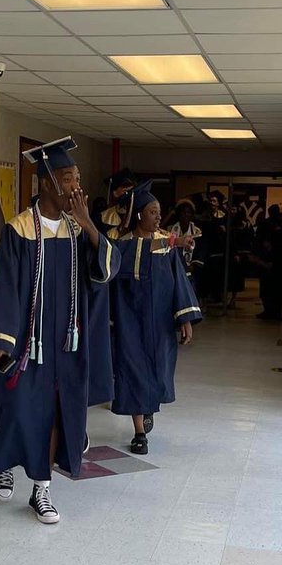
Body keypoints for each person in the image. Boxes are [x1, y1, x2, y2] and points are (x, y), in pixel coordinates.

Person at [0, 138, 119, 524]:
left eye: (77, 178)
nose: (75, 187)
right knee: (18, 411)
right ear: (46, 184)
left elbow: (108, 271)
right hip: (28, 345)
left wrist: (90, 223)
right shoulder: (20, 230)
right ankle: (3, 461)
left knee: (57, 415)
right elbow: (7, 286)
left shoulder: (78, 232)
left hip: (65, 345)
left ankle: (41, 491)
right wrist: (2, 339)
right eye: (67, 178)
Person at [109, 182, 202, 454]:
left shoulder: (165, 247)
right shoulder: (122, 245)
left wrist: (184, 318)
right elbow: (136, 253)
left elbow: (179, 283)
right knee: (133, 372)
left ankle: (147, 407)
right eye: (152, 212)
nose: (158, 217)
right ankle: (139, 432)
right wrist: (174, 240)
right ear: (138, 215)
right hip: (130, 322)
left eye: (159, 212)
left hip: (160, 322)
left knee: (158, 370)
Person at [168, 198, 205, 286]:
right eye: (182, 212)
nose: (185, 215)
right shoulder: (170, 230)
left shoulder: (197, 232)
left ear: (192, 215)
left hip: (191, 270)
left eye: (188, 212)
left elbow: (200, 252)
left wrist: (192, 266)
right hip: (174, 269)